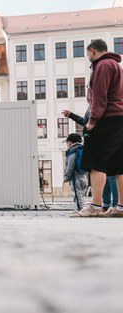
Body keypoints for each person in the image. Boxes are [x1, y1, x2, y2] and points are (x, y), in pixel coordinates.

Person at [70, 39, 123, 218]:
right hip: (119, 119)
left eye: (87, 54)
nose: (87, 57)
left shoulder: (102, 65)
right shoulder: (116, 65)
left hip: (106, 120)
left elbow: (100, 95)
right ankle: (120, 208)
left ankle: (95, 206)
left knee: (96, 162)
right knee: (119, 165)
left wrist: (92, 121)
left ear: (92, 51)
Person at [63, 134, 87, 213]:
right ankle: (82, 208)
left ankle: (80, 210)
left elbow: (70, 166)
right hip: (84, 176)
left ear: (69, 143)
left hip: (75, 177)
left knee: (77, 195)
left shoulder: (72, 151)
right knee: (81, 195)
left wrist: (66, 177)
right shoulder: (82, 149)